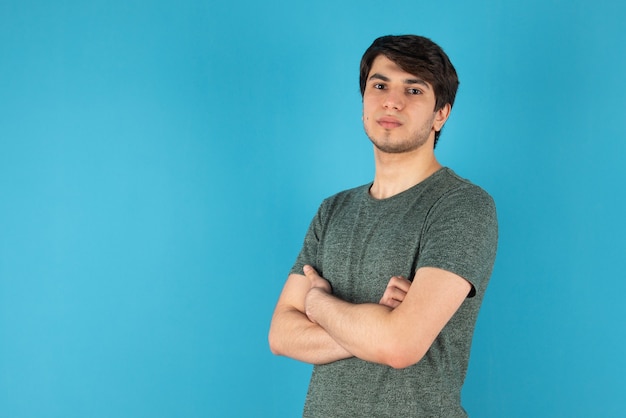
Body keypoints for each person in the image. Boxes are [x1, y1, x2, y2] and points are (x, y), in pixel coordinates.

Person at [268, 34, 498, 417]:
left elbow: (399, 347)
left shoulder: (462, 205)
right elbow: (280, 334)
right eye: (380, 85)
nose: (392, 100)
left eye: (413, 89)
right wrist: (378, 324)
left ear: (441, 113)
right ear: (363, 102)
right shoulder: (333, 209)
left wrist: (317, 303)